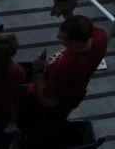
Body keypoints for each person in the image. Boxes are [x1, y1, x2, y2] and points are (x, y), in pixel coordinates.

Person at [12, 13, 107, 148]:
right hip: (74, 94)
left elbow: (48, 101)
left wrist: (39, 70)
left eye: (64, 40)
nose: (59, 39)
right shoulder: (100, 36)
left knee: (34, 128)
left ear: (76, 43)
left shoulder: (67, 66)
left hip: (45, 103)